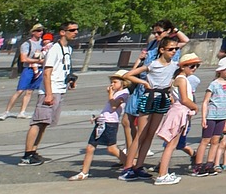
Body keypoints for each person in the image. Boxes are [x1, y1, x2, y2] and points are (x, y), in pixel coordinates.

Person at [119, 32, 185, 179]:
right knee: (141, 134)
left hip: (162, 98)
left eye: (175, 49)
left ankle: (139, 166)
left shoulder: (175, 65)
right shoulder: (153, 65)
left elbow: (186, 65)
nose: (173, 51)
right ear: (162, 50)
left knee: (150, 134)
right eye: (170, 49)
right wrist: (143, 82)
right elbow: (128, 75)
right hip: (149, 97)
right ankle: (128, 167)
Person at [19, 21, 78, 165]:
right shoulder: (54, 49)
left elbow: (63, 68)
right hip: (50, 90)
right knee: (38, 121)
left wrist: (70, 80)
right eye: (72, 30)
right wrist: (49, 94)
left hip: (60, 89)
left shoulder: (68, 49)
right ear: (63, 32)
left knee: (45, 123)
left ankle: (34, 150)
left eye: (77, 30)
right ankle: (27, 155)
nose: (75, 32)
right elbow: (47, 73)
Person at [72, 70, 136, 180]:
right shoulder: (116, 93)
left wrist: (110, 94)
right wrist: (99, 116)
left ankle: (130, 166)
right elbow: (107, 110)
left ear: (123, 83)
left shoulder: (123, 94)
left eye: (115, 82)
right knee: (90, 147)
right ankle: (84, 172)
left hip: (110, 123)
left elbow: (114, 106)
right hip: (103, 121)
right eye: (111, 82)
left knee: (111, 148)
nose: (112, 84)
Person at [150, 51, 203, 184]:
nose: (194, 68)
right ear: (183, 66)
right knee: (171, 145)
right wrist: (195, 107)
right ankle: (162, 174)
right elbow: (185, 99)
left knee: (171, 144)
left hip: (179, 112)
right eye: (191, 66)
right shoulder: (182, 79)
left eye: (196, 66)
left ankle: (164, 172)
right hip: (179, 112)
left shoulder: (179, 79)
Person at [197, 57, 226, 175]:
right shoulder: (214, 84)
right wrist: (204, 117)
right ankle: (199, 165)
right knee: (205, 140)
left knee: (216, 140)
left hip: (222, 116)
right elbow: (205, 101)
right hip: (211, 115)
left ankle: (210, 164)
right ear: (220, 70)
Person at [1, 24, 44, 121]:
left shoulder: (43, 43)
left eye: (41, 30)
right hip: (28, 69)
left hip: (39, 69)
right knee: (20, 91)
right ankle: (6, 111)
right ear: (33, 32)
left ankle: (22, 112)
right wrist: (38, 61)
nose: (40, 32)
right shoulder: (26, 44)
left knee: (30, 91)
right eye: (38, 30)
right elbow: (24, 59)